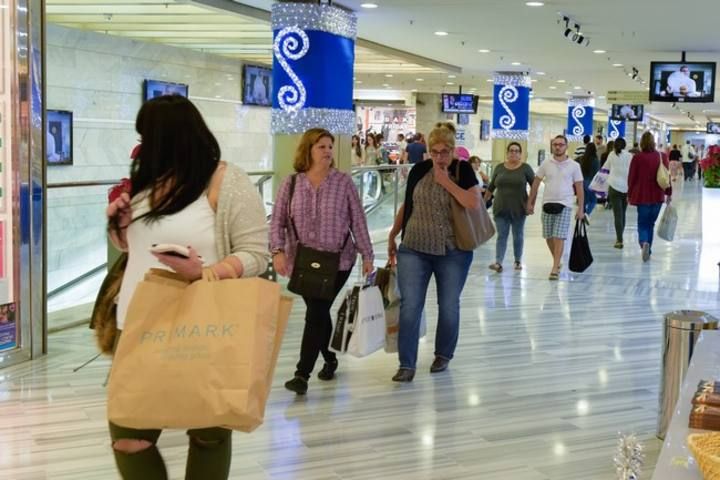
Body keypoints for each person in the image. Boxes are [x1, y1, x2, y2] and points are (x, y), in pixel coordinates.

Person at [105, 95, 269, 480]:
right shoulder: (147, 182)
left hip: (203, 325)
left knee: (208, 434)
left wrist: (205, 271)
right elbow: (136, 248)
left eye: (149, 135)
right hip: (138, 324)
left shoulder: (225, 180)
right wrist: (119, 226)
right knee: (128, 437)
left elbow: (256, 253)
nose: (143, 144)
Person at [270, 128, 374, 395]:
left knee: (315, 312)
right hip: (303, 262)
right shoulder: (291, 184)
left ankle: (301, 374)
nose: (328, 151)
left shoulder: (343, 183)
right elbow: (277, 221)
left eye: (330, 147)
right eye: (321, 147)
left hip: (338, 261)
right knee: (319, 312)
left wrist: (368, 256)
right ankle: (329, 358)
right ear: (308, 150)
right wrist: (277, 251)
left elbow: (358, 220)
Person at [387, 125, 481, 382]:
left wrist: (447, 182)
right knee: (410, 306)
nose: (439, 157)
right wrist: (393, 233)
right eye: (434, 152)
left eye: (445, 152)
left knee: (449, 305)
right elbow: (409, 204)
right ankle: (406, 363)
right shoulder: (419, 170)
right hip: (414, 248)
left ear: (453, 150)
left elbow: (473, 203)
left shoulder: (463, 171)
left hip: (453, 252)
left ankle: (443, 354)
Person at [527, 135, 585, 280]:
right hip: (547, 203)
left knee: (559, 236)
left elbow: (579, 187)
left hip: (565, 204)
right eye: (555, 144)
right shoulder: (546, 163)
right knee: (548, 236)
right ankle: (556, 260)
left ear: (566, 146)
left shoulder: (574, 166)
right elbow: (536, 182)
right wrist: (530, 201)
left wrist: (581, 208)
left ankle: (554, 268)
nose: (558, 147)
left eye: (561, 144)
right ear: (552, 146)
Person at [485, 142, 534, 272]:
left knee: (518, 235)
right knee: (502, 235)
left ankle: (517, 260)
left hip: (519, 208)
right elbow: (491, 187)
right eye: (511, 151)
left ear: (520, 154)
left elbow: (534, 187)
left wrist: (530, 203)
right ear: (507, 153)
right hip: (500, 208)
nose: (513, 153)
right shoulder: (500, 168)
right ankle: (498, 262)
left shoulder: (525, 168)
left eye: (517, 151)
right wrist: (482, 204)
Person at [627, 131, 672, 262]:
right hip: (657, 196)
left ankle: (643, 243)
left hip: (642, 196)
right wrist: (669, 193)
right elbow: (666, 176)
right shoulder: (662, 156)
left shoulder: (637, 158)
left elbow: (632, 178)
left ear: (641, 143)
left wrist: (629, 194)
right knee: (651, 224)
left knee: (642, 223)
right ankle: (649, 248)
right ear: (654, 142)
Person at [605, 137, 633, 248]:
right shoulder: (629, 156)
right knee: (623, 213)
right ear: (625, 145)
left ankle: (619, 240)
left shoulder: (612, 155)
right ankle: (620, 237)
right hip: (626, 188)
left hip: (613, 187)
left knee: (617, 214)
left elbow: (605, 168)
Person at [576, 142, 600, 218]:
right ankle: (587, 214)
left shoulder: (581, 158)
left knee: (584, 199)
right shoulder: (596, 160)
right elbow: (597, 173)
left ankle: (582, 213)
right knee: (593, 200)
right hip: (591, 182)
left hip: (582, 182)